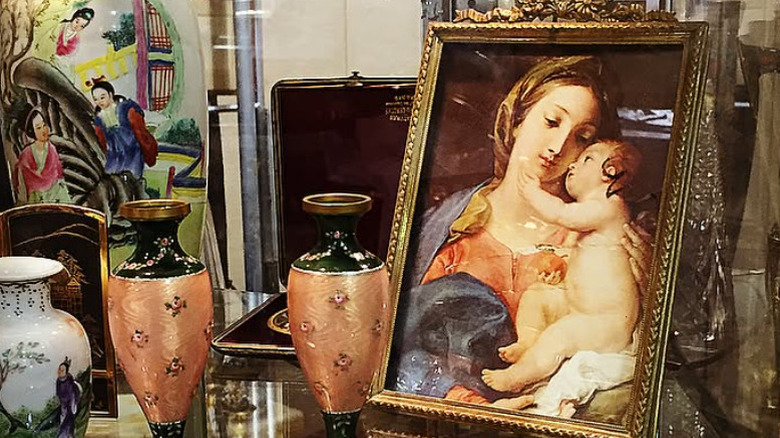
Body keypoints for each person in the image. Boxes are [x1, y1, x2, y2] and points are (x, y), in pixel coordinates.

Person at [391, 56, 653, 409]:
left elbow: (638, 355)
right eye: (551, 121)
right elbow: (401, 346)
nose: (559, 146)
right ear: (516, 120)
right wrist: (467, 404)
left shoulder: (598, 238)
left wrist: (653, 286)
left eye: (582, 137)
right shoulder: (450, 225)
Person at [481, 139, 642, 393]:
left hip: (605, 322)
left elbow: (561, 214)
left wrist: (533, 192)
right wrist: (559, 266)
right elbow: (579, 257)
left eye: (587, 159)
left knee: (559, 336)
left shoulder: (609, 208)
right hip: (579, 309)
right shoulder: (589, 216)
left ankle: (516, 377)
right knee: (537, 294)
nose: (573, 165)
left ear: (611, 172)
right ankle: (528, 341)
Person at [89, 77, 158, 179]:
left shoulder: (126, 109)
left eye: (102, 97)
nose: (99, 102)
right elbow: (101, 143)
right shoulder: (99, 119)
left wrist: (148, 151)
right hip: (113, 158)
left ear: (111, 94)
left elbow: (140, 133)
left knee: (132, 182)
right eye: (95, 99)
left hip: (132, 155)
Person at [13, 108, 72, 204]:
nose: (43, 130)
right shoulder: (26, 153)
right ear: (32, 131)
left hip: (56, 194)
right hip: (36, 197)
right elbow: (20, 179)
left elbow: (59, 177)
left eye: (44, 125)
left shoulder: (52, 149)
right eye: (38, 128)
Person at [56, 357, 81, 438]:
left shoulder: (69, 382)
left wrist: (73, 407)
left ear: (66, 372)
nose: (59, 371)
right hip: (63, 406)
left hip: (70, 407)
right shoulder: (58, 381)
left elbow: (73, 395)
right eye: (59, 369)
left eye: (62, 370)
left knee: (67, 425)